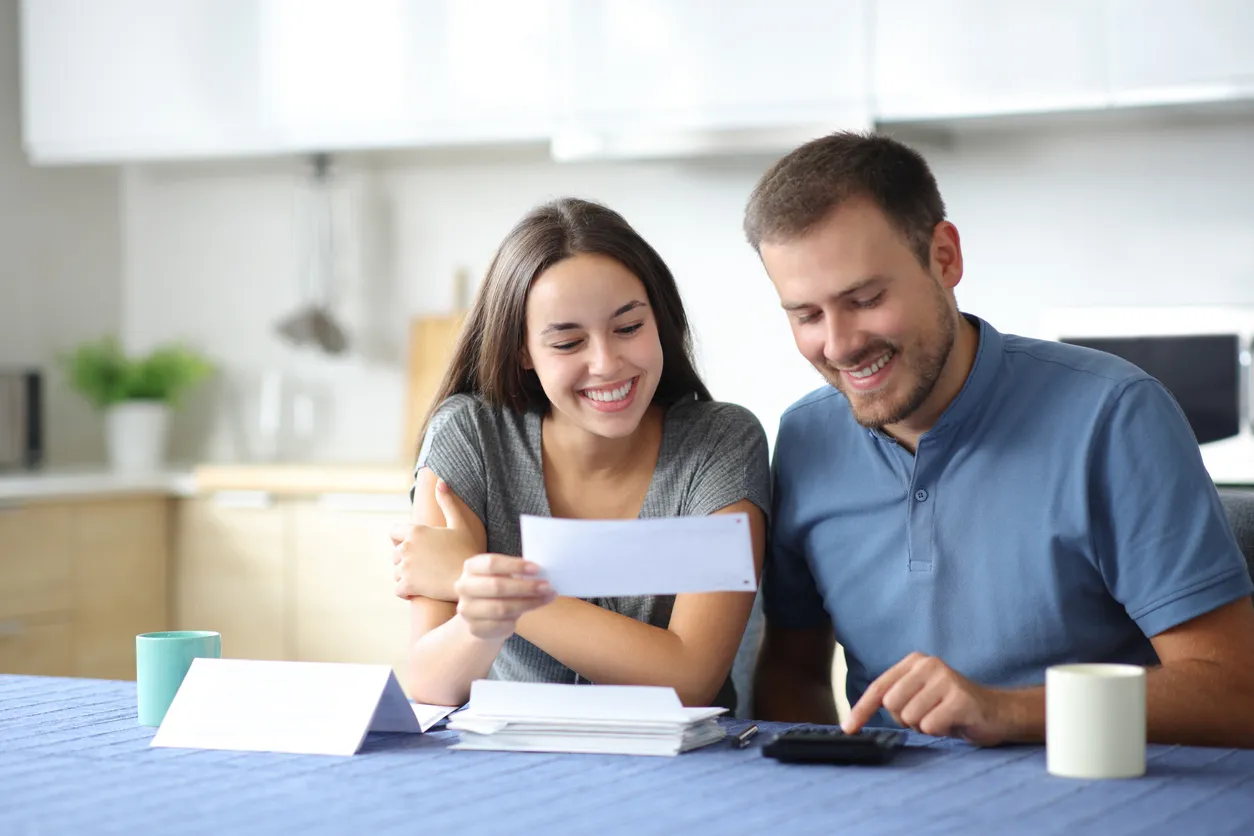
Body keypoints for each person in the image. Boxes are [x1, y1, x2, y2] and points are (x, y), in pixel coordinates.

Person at [745, 131, 1254, 747]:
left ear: (945, 256)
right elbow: (791, 676)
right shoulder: (805, 436)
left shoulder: (1115, 417)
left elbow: (1234, 691)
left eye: (866, 299)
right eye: (806, 315)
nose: (840, 344)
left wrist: (1007, 711)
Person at [391, 197, 769, 710]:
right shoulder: (471, 436)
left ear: (658, 320)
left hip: (681, 771)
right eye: (568, 342)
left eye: (629, 327)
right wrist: (486, 611)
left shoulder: (721, 442)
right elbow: (431, 686)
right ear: (522, 350)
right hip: (513, 763)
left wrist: (491, 583)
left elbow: (690, 680)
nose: (607, 363)